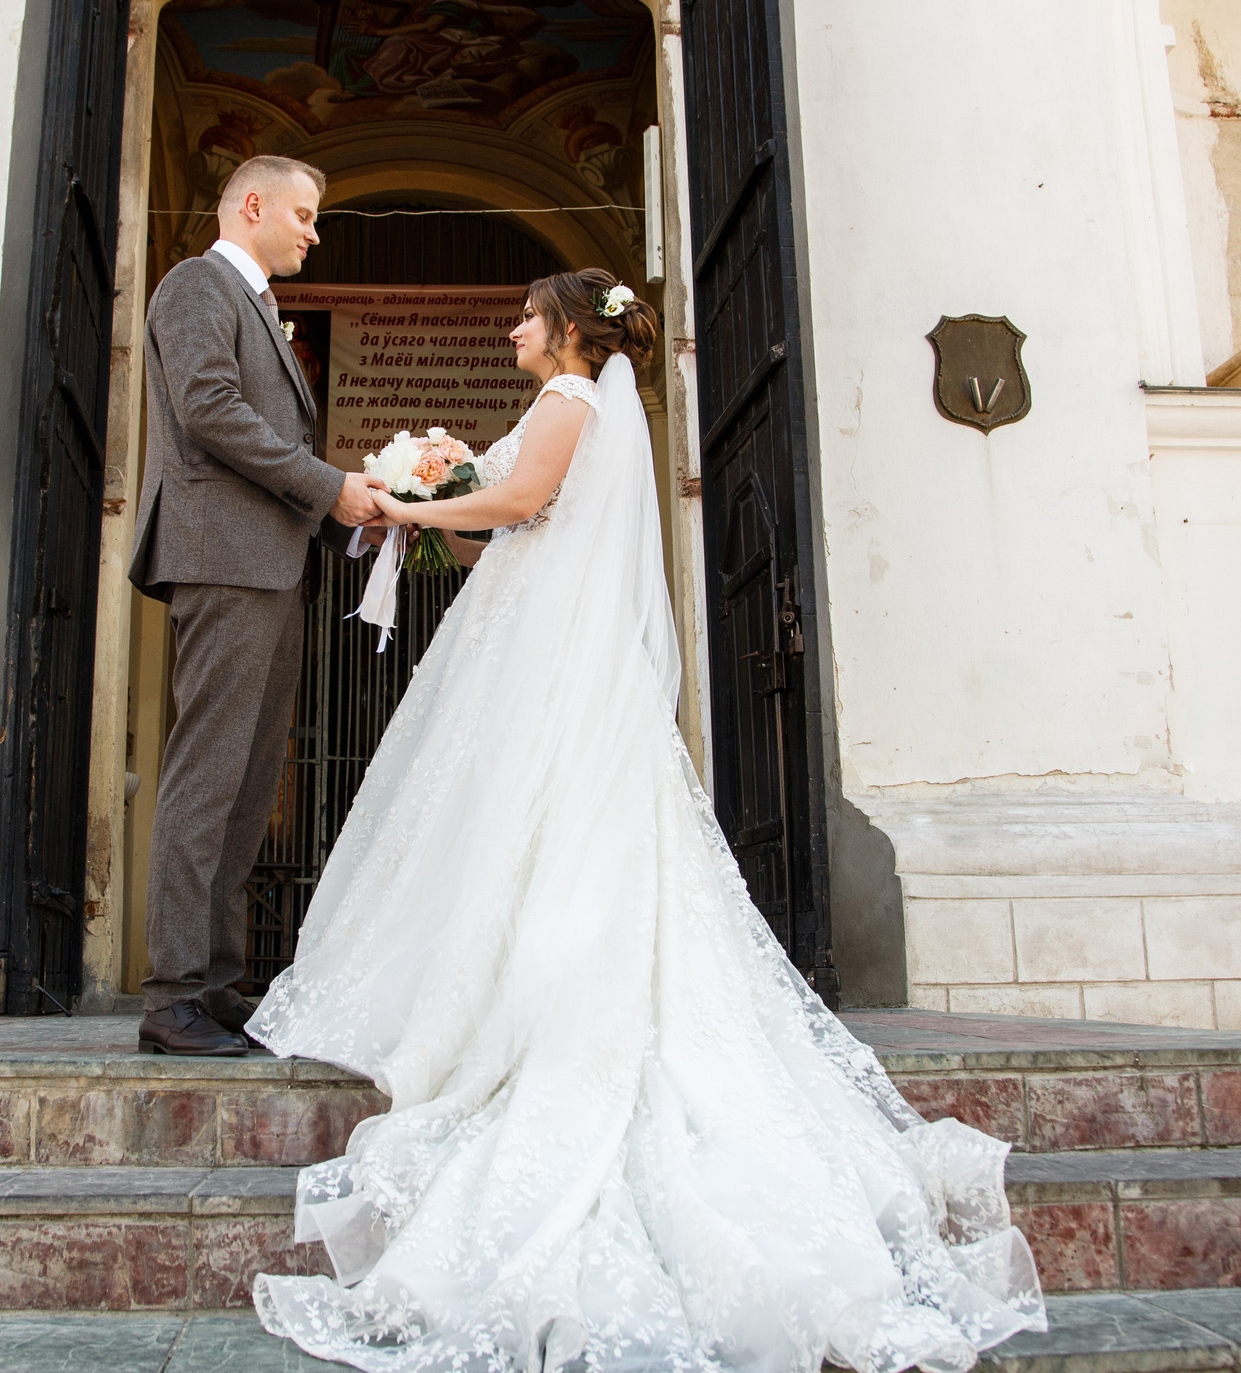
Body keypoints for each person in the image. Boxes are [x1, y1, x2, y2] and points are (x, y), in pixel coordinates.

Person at [246, 268, 1046, 1372]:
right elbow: (529, 534)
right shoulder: (575, 411)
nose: (512, 326)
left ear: (569, 331)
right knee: (547, 826)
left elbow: (521, 507)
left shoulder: (569, 404)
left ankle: (527, 1006)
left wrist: (408, 504)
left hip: (549, 657)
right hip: (543, 639)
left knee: (538, 822)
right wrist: (435, 533)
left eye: (527, 315)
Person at [128, 154, 385, 1058]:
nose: (315, 231)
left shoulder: (251, 303)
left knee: (244, 787)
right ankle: (171, 995)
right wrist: (328, 486)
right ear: (252, 204)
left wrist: (346, 520)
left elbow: (257, 436)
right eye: (306, 214)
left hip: (270, 565)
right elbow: (209, 409)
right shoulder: (197, 284)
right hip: (223, 562)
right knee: (207, 774)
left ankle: (215, 980)